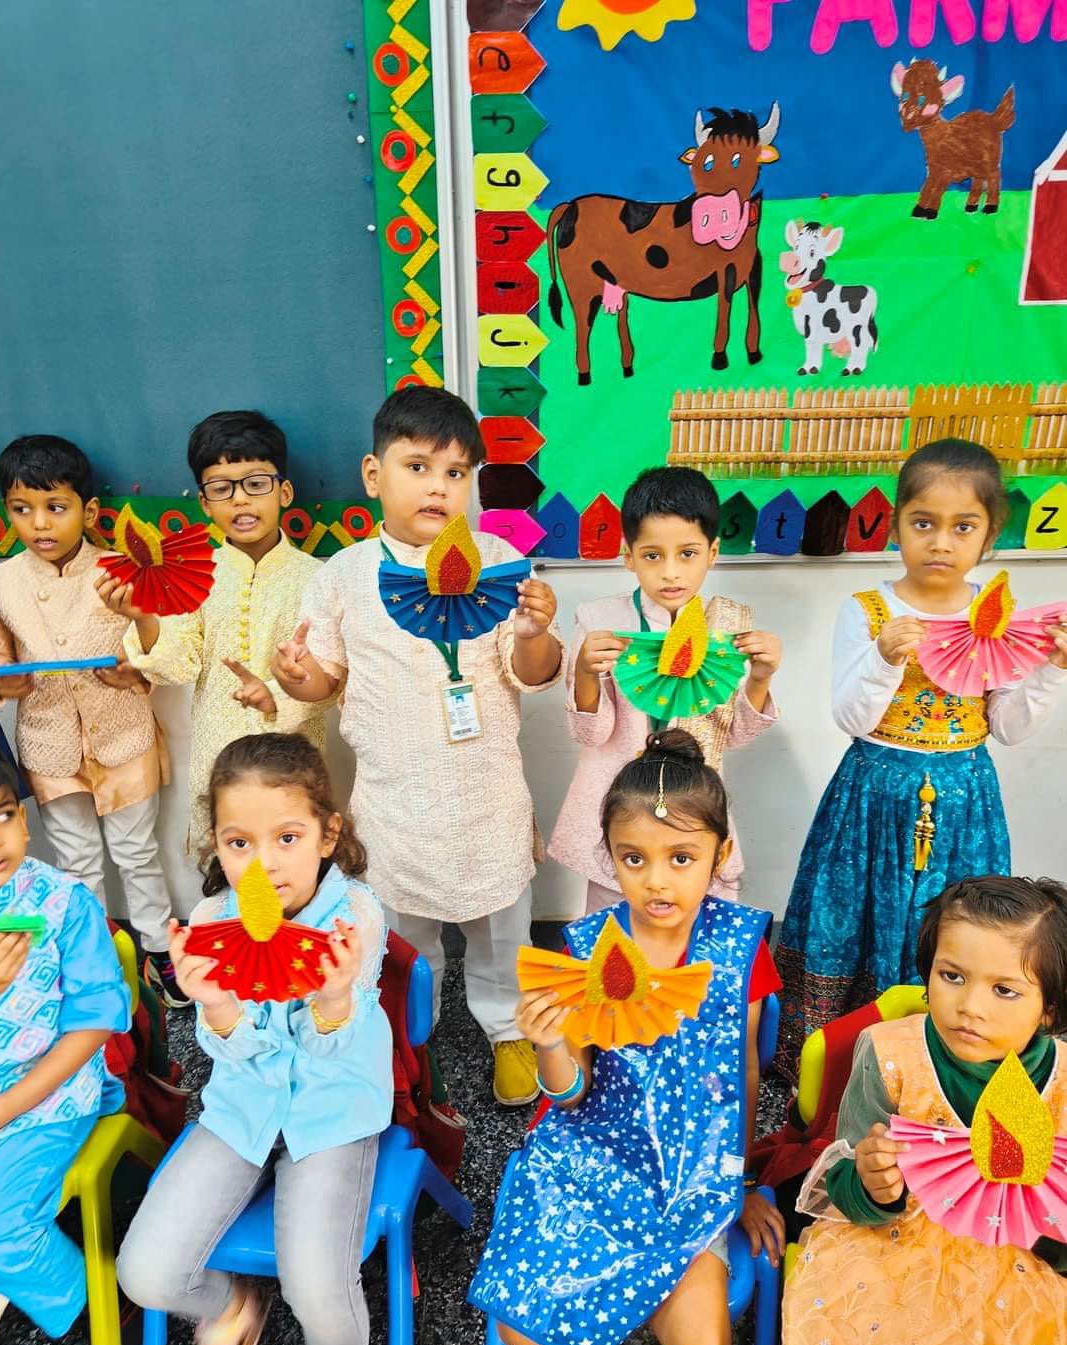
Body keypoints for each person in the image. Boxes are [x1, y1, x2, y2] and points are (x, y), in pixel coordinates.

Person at [469, 730, 786, 1345]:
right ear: (608, 856)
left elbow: (745, 1075)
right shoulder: (583, 948)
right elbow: (570, 1094)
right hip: (592, 1160)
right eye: (634, 859)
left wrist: (739, 1183)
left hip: (691, 1177)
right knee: (521, 1336)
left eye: (682, 858)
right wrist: (549, 1040)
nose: (657, 881)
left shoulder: (742, 948)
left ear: (721, 855)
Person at [270, 387, 564, 1108]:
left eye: (458, 472)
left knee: (504, 923)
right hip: (396, 795)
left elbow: (536, 673)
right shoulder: (342, 574)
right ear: (375, 475)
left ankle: (506, 1026)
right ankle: (413, 1025)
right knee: (403, 924)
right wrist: (294, 674)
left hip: (486, 787)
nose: (439, 485)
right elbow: (322, 680)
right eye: (419, 466)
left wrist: (533, 636)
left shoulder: (501, 561)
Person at [118, 733, 392, 1345]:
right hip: (239, 1113)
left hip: (333, 1117)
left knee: (317, 1287)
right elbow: (234, 1059)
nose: (262, 865)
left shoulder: (354, 918)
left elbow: (336, 1051)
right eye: (239, 844)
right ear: (217, 843)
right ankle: (231, 1309)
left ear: (328, 835)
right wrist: (215, 1004)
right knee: (143, 1273)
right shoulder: (211, 922)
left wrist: (333, 1000)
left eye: (288, 837)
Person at [774, 438, 1067, 1079]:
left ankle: (950, 1055)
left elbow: (1009, 729)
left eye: (963, 527)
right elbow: (851, 718)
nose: (940, 542)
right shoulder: (869, 611)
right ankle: (836, 1055)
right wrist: (882, 657)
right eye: (923, 523)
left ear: (990, 535)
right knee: (852, 914)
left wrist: (1048, 669)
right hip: (871, 793)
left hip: (965, 798)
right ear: (896, 524)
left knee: (961, 925)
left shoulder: (1003, 618)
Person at [777, 874, 1067, 1345]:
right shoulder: (889, 1053)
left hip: (1016, 1259)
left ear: (1050, 1010)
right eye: (951, 976)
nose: (968, 1007)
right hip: (887, 1248)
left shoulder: (1061, 1082)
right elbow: (846, 1170)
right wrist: (872, 1183)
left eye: (1004, 990)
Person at [98, 411, 329, 878]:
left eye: (255, 483)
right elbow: (177, 665)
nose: (240, 499)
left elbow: (333, 676)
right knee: (229, 880)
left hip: (296, 757)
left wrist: (276, 693)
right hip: (217, 760)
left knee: (300, 877)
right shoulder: (198, 576)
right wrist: (142, 615)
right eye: (222, 487)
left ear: (284, 492)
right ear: (204, 503)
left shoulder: (321, 579)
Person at [0, 435, 175, 993]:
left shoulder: (122, 569)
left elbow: (156, 644)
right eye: (22, 510)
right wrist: (10, 682)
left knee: (138, 853)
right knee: (77, 862)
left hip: (123, 735)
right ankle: (93, 957)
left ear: (88, 511)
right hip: (48, 745)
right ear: (6, 514)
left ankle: (161, 952)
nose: (40, 523)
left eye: (56, 507)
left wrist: (135, 663)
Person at [549, 465, 781, 910]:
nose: (671, 572)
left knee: (693, 943)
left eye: (688, 554)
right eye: (653, 555)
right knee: (612, 934)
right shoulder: (600, 622)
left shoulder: (727, 627)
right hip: (618, 809)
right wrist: (582, 674)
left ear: (713, 552)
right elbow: (591, 735)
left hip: (691, 811)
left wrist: (761, 678)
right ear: (629, 556)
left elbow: (734, 736)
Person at [0, 745, 131, 1345]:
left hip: (46, 1095)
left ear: (24, 820)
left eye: (1, 815)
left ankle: (104, 1307)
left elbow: (96, 1021)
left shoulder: (62, 902)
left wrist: (1, 1110)